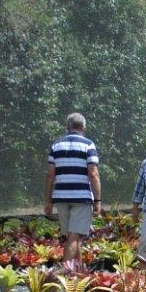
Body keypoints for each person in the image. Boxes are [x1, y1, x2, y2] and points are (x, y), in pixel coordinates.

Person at [44, 113, 101, 263]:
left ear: (67, 127)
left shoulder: (56, 145)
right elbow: (93, 173)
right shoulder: (88, 145)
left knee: (72, 237)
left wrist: (48, 201)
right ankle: (64, 273)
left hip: (61, 197)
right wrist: (98, 200)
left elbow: (50, 175)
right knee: (74, 236)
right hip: (81, 197)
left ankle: (80, 272)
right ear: (83, 127)